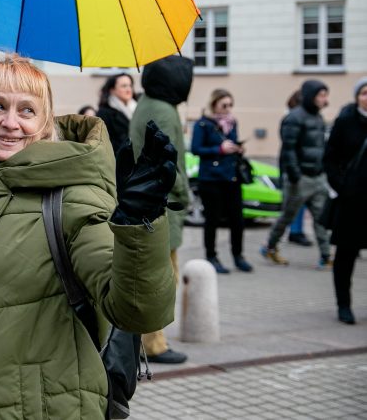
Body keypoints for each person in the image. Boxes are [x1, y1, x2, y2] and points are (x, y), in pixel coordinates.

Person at [0, 54, 177, 418]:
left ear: (45, 124)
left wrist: (141, 225)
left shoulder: (72, 199)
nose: (10, 123)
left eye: (26, 110)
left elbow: (137, 311)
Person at [129, 54, 193, 364]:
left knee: (153, 273)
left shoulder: (147, 103)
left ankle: (147, 340)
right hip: (162, 203)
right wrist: (184, 192)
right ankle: (153, 344)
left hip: (148, 198)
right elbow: (170, 160)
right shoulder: (164, 110)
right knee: (162, 276)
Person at [262, 80, 332, 267]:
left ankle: (326, 256)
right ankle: (270, 246)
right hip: (299, 179)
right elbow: (289, 149)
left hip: (317, 177)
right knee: (287, 216)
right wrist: (295, 175)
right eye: (321, 95)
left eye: (325, 95)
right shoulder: (294, 118)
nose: (324, 99)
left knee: (321, 218)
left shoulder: (318, 118)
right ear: (310, 96)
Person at [191, 89, 252, 274]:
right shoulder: (202, 124)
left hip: (231, 177)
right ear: (214, 103)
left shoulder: (232, 122)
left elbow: (231, 144)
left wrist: (237, 149)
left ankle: (238, 256)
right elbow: (196, 149)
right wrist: (219, 149)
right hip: (211, 179)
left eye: (230, 105)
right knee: (212, 220)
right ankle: (211, 256)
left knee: (237, 220)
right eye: (224, 105)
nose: (228, 109)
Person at [323, 77, 367, 325]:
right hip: (351, 201)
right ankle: (344, 304)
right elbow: (329, 159)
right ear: (357, 96)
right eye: (364, 93)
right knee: (346, 255)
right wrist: (342, 186)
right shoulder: (345, 121)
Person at [284, 89, 313, 246]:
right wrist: (294, 171)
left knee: (302, 203)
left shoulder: (309, 118)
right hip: (297, 169)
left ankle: (296, 231)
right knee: (295, 204)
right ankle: (293, 232)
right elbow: (290, 148)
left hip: (307, 168)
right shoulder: (293, 119)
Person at [97, 72, 137, 153]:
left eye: (130, 85)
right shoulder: (104, 113)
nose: (129, 89)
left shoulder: (137, 107)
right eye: (124, 86)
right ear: (112, 90)